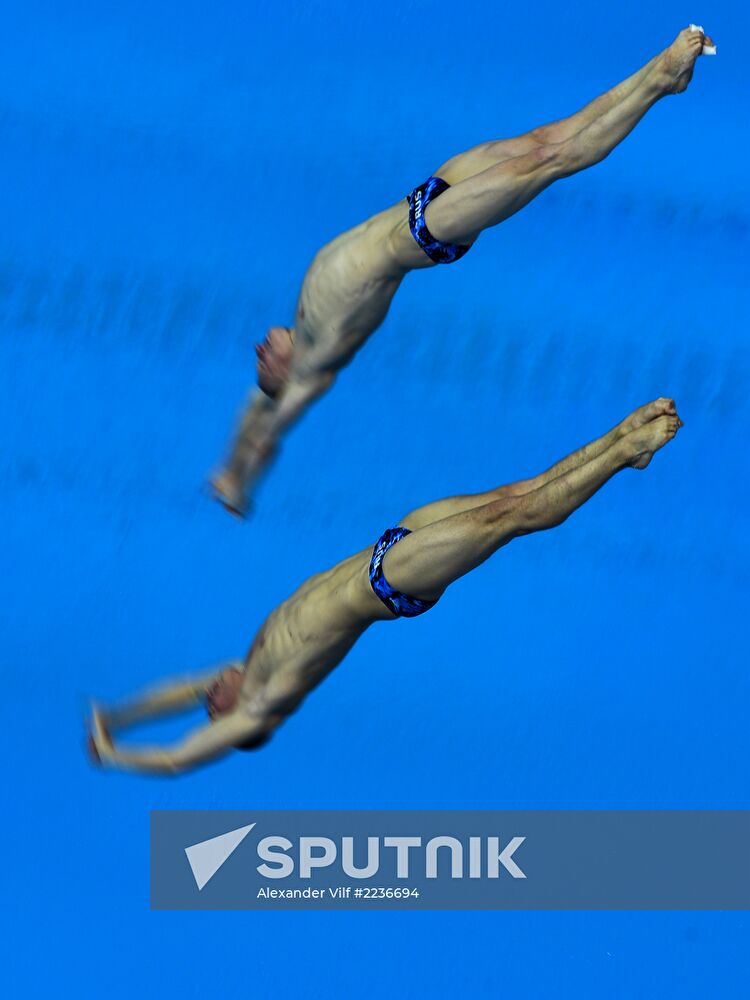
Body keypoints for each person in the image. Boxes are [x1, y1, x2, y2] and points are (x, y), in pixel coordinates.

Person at [211, 27, 711, 515]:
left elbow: (251, 412)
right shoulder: (312, 372)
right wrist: (236, 479)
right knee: (551, 160)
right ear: (288, 378)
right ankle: (660, 83)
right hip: (427, 231)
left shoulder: (303, 325)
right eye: (263, 367)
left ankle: (659, 72)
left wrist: (238, 444)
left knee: (544, 137)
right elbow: (268, 428)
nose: (258, 350)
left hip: (424, 195)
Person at [89, 398, 682, 775]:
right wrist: (118, 755)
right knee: (512, 519)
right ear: (232, 718)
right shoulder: (263, 704)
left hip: (387, 546)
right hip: (391, 583)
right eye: (212, 702)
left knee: (514, 493)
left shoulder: (247, 666)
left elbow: (175, 693)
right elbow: (177, 758)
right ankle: (623, 456)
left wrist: (117, 716)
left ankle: (619, 437)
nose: (209, 688)